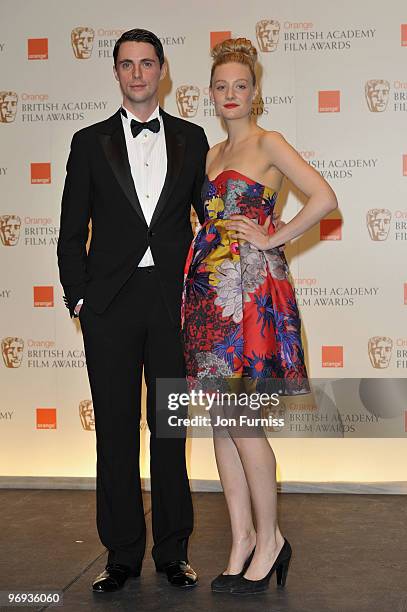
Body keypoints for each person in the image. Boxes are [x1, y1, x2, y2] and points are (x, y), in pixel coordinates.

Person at [182, 38, 338, 595]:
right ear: (211, 93)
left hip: (248, 293)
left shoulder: (269, 142)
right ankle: (242, 539)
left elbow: (323, 197)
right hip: (208, 295)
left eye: (240, 86)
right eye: (221, 86)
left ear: (255, 93)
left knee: (242, 421)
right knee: (222, 423)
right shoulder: (209, 157)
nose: (230, 95)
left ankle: (271, 540)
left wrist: (275, 236)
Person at [57, 28, 209, 592]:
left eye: (148, 64)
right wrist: (80, 300)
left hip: (173, 305)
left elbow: (210, 226)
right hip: (110, 306)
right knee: (115, 431)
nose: (138, 74)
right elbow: (70, 233)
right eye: (128, 65)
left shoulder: (194, 140)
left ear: (163, 69)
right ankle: (121, 554)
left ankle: (173, 551)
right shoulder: (88, 141)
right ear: (117, 73)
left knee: (170, 428)